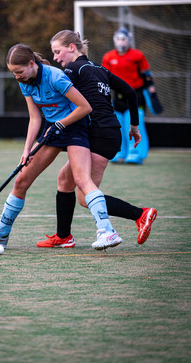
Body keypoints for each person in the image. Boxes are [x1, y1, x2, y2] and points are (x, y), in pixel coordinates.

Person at [0, 43, 123, 250]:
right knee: (21, 180)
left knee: (81, 179)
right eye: (13, 73)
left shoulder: (56, 77)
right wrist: (26, 150)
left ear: (31, 64)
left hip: (74, 126)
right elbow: (35, 118)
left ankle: (107, 232)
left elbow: (85, 108)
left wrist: (62, 123)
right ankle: (1, 233)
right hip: (52, 130)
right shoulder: (24, 81)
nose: (17, 76)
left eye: (19, 71)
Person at [36, 30, 157, 248]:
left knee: (84, 196)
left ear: (71, 48)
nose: (55, 58)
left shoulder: (72, 70)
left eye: (57, 52)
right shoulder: (100, 69)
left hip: (100, 135)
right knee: (65, 180)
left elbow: (59, 99)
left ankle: (141, 214)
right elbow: (130, 92)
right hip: (106, 132)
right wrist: (135, 126)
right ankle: (63, 236)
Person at [102, 27, 160, 164]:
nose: (120, 42)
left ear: (128, 40)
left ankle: (136, 154)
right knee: (118, 125)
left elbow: (147, 75)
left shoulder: (137, 55)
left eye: (123, 39)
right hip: (118, 96)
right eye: (118, 38)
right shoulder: (109, 57)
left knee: (133, 123)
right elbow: (104, 77)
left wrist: (151, 89)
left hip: (135, 95)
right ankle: (119, 152)